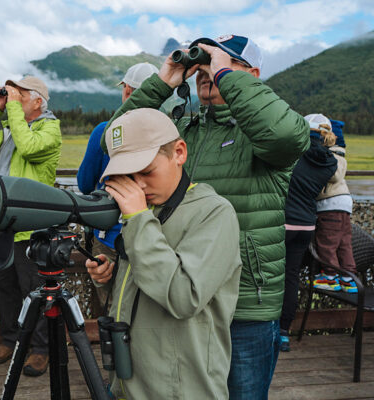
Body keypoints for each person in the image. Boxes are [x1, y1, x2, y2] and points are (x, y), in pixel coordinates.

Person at [104, 35, 309, 399]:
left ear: (253, 75)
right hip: (178, 291)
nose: (206, 73)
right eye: (202, 67)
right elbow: (119, 141)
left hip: (246, 300)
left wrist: (224, 75)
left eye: (223, 62)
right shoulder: (184, 129)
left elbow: (285, 133)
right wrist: (163, 82)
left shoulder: (261, 139)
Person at [85, 108, 241, 399]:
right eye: (127, 176)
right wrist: (109, 274)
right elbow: (146, 279)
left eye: (146, 171)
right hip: (130, 380)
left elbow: (184, 297)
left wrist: (139, 219)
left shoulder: (214, 213)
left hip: (182, 388)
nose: (139, 185)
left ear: (179, 152)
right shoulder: (146, 210)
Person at [0, 75, 62, 376]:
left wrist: (13, 113)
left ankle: (40, 349)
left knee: (33, 288)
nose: (14, 98)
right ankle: (9, 340)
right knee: (3, 285)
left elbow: (29, 147)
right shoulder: (10, 128)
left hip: (31, 226)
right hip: (1, 223)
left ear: (38, 101)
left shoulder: (50, 129)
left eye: (20, 94)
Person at [77, 62, 159, 260]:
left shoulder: (104, 131)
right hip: (153, 235)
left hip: (109, 236)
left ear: (127, 91)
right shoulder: (168, 131)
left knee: (108, 287)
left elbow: (85, 183)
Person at [279, 113, 338, 352]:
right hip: (306, 225)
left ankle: (266, 327)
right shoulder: (330, 162)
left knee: (271, 275)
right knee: (292, 276)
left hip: (282, 221)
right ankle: (284, 332)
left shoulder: (294, 153)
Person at [311, 114, 357, 293]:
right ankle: (348, 278)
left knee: (327, 242)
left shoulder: (333, 155)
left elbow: (334, 175)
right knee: (344, 243)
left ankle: (329, 277)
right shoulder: (341, 154)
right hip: (343, 203)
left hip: (330, 205)